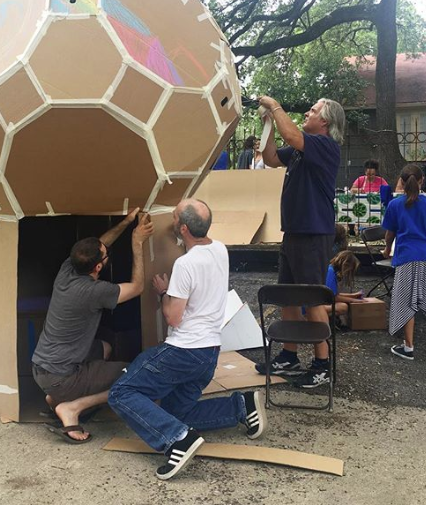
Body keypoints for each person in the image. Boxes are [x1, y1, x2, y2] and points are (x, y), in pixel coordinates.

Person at [108, 199, 267, 480]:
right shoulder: (219, 249)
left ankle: (177, 438)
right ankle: (241, 406)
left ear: (183, 228)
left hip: (183, 351)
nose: (170, 220)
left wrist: (164, 292)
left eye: (173, 217)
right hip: (209, 353)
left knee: (121, 392)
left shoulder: (185, 264)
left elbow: (173, 318)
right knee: (174, 410)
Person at [31, 208, 154, 443]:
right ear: (99, 267)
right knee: (137, 375)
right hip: (61, 377)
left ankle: (55, 398)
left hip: (41, 368)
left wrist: (126, 222)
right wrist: (136, 242)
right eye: (105, 257)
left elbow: (100, 244)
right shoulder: (95, 291)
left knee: (105, 348)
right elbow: (137, 287)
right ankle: (72, 407)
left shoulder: (67, 269)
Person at [255, 96, 346, 388]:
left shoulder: (324, 146)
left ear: (325, 122)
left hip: (312, 233)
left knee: (311, 298)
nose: (308, 112)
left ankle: (322, 365)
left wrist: (276, 105)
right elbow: (269, 159)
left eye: (314, 110)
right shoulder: (298, 151)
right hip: (294, 232)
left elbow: (292, 134)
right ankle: (289, 354)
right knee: (287, 296)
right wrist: (268, 123)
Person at [382, 164, 426, 360]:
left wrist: (386, 249)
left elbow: (389, 234)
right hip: (424, 257)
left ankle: (408, 346)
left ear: (401, 181)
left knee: (406, 300)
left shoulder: (394, 205)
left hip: (405, 256)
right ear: (422, 180)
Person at [320, 250, 363, 327]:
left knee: (343, 304)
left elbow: (334, 293)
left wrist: (353, 295)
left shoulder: (330, 269)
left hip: (321, 301)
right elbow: (332, 297)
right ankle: (317, 316)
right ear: (346, 264)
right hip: (318, 304)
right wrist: (353, 300)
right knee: (343, 307)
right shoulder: (331, 272)